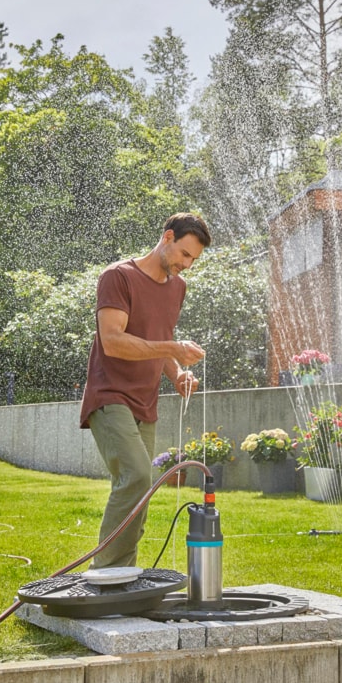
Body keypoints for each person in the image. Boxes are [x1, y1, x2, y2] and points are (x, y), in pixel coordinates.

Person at [79, 212, 211, 569]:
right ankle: (104, 573)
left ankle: (123, 575)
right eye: (184, 254)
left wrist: (177, 374)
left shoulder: (177, 288)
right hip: (110, 395)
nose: (187, 265)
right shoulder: (118, 277)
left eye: (193, 260)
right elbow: (113, 342)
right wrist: (172, 350)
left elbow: (161, 337)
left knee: (139, 490)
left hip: (145, 400)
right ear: (167, 237)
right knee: (137, 476)